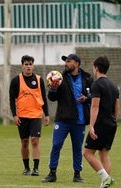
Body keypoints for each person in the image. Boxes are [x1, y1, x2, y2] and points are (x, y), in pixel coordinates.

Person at [41, 54, 93, 183]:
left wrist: (86, 98)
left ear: (77, 63)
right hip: (63, 119)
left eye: (68, 61)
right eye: (65, 61)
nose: (66, 63)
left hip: (79, 121)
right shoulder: (60, 77)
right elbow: (52, 98)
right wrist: (53, 89)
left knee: (77, 148)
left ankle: (77, 174)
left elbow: (94, 95)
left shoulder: (87, 78)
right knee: (56, 145)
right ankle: (52, 173)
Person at [9, 55, 50, 176]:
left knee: (35, 140)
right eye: (26, 64)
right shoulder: (16, 80)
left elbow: (43, 98)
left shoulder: (38, 79)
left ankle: (36, 169)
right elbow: (12, 99)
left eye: (30, 64)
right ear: (22, 66)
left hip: (36, 115)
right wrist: (14, 115)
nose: (28, 66)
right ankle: (26, 167)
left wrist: (46, 114)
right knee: (24, 142)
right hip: (22, 115)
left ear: (33, 65)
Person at [83, 55, 120, 188]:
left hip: (100, 124)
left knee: (87, 153)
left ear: (96, 68)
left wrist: (91, 125)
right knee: (104, 154)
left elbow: (95, 106)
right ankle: (105, 184)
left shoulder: (96, 84)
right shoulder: (113, 84)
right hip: (111, 124)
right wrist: (114, 120)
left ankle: (106, 178)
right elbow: (117, 106)